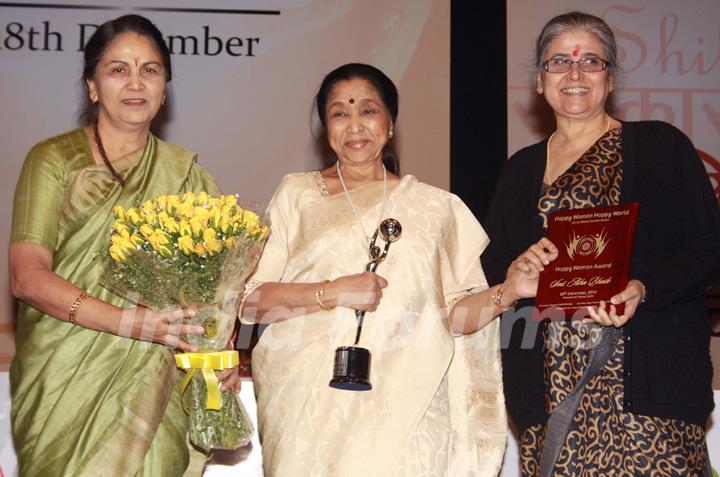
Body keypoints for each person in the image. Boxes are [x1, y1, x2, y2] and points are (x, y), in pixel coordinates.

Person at [240, 63, 545, 476]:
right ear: (325, 128)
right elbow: (252, 302)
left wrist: (507, 291)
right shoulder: (297, 195)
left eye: (368, 111)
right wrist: (332, 292)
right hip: (307, 407)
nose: (354, 127)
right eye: (339, 113)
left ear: (390, 123)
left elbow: (453, 317)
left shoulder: (437, 209)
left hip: (409, 406)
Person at [479, 11, 720, 477]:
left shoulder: (660, 148)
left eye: (591, 61)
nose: (575, 74)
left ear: (610, 79)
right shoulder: (519, 171)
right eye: (558, 63)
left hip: (651, 395)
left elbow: (709, 248)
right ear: (539, 80)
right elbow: (490, 275)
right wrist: (514, 277)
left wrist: (643, 287)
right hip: (550, 398)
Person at [9, 15, 239, 476]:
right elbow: (26, 276)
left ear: (165, 86)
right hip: (64, 380)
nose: (136, 83)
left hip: (154, 385)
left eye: (150, 70)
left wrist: (217, 357)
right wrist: (128, 323)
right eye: (118, 69)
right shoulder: (54, 160)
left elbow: (212, 297)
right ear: (92, 86)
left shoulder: (189, 177)